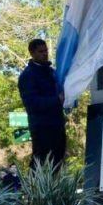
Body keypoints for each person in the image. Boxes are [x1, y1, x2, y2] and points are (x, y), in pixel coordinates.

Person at [18, 39, 66, 169]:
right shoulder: (28, 76)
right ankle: (34, 188)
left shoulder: (51, 72)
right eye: (41, 51)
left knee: (58, 161)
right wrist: (57, 100)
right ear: (32, 53)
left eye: (46, 51)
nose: (45, 54)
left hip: (57, 124)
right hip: (42, 128)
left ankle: (56, 189)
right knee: (41, 163)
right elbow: (32, 103)